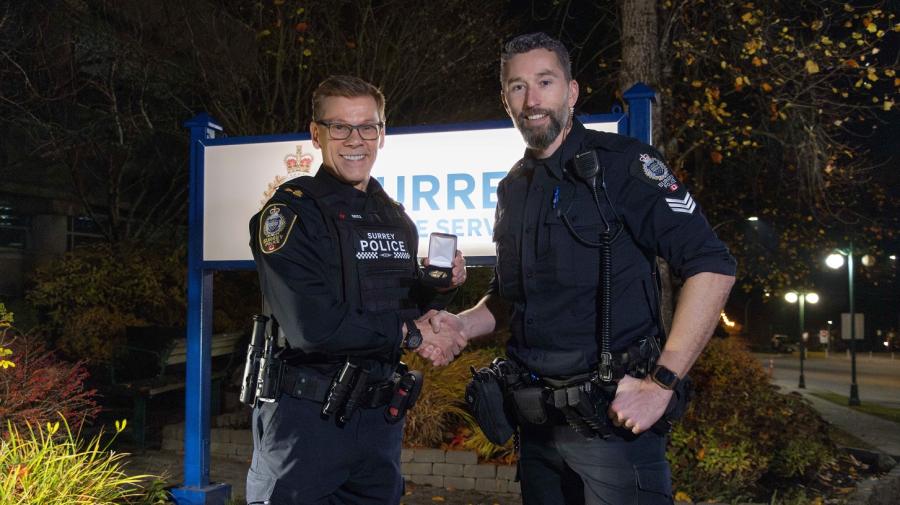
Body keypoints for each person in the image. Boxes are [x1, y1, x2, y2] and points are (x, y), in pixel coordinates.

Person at [421, 33, 736, 504]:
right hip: (537, 429)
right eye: (517, 86)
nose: (532, 100)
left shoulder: (626, 166)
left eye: (545, 82)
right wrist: (460, 326)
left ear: (571, 91)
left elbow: (713, 267)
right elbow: (512, 299)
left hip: (613, 429)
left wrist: (662, 383)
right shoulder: (513, 188)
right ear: (506, 99)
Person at [246, 75, 467, 505]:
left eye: (368, 126)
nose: (356, 139)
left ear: (382, 135)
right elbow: (315, 327)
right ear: (316, 134)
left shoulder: (395, 218)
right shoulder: (290, 214)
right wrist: (411, 334)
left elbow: (396, 310)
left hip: (378, 426)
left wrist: (439, 292)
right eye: (341, 127)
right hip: (304, 426)